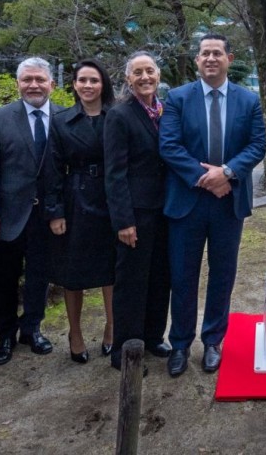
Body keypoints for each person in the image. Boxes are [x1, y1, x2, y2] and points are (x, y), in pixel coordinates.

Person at [159, 33, 266, 377]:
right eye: (204, 53)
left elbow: (257, 145)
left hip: (227, 204)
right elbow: (170, 146)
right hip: (187, 203)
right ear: (197, 60)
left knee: (222, 275)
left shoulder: (249, 101)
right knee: (183, 276)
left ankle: (213, 342)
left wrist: (228, 173)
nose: (210, 58)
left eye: (217, 53)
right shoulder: (176, 98)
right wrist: (208, 178)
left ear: (228, 59)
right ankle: (179, 344)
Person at [0, 57, 64, 365]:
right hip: (7, 216)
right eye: (27, 80)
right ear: (18, 83)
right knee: (4, 279)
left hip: (47, 216)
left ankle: (32, 329)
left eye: (40, 79)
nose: (34, 85)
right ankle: (5, 335)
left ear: (52, 83)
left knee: (40, 276)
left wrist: (61, 211)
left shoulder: (64, 118)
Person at [44, 59, 116, 364]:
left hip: (112, 198)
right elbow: (52, 169)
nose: (88, 86)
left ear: (103, 84)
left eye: (94, 80)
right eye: (82, 80)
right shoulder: (61, 121)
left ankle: (113, 327)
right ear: (73, 85)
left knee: (111, 269)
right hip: (75, 199)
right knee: (73, 271)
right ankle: (75, 333)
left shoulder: (117, 116)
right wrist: (55, 211)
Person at [104, 51, 171, 371]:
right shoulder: (119, 115)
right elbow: (114, 173)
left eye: (150, 71)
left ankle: (153, 336)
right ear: (128, 79)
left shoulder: (167, 110)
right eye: (138, 73)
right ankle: (125, 351)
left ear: (158, 75)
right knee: (132, 283)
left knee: (161, 277)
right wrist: (124, 221)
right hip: (136, 213)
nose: (145, 77)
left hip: (166, 211)